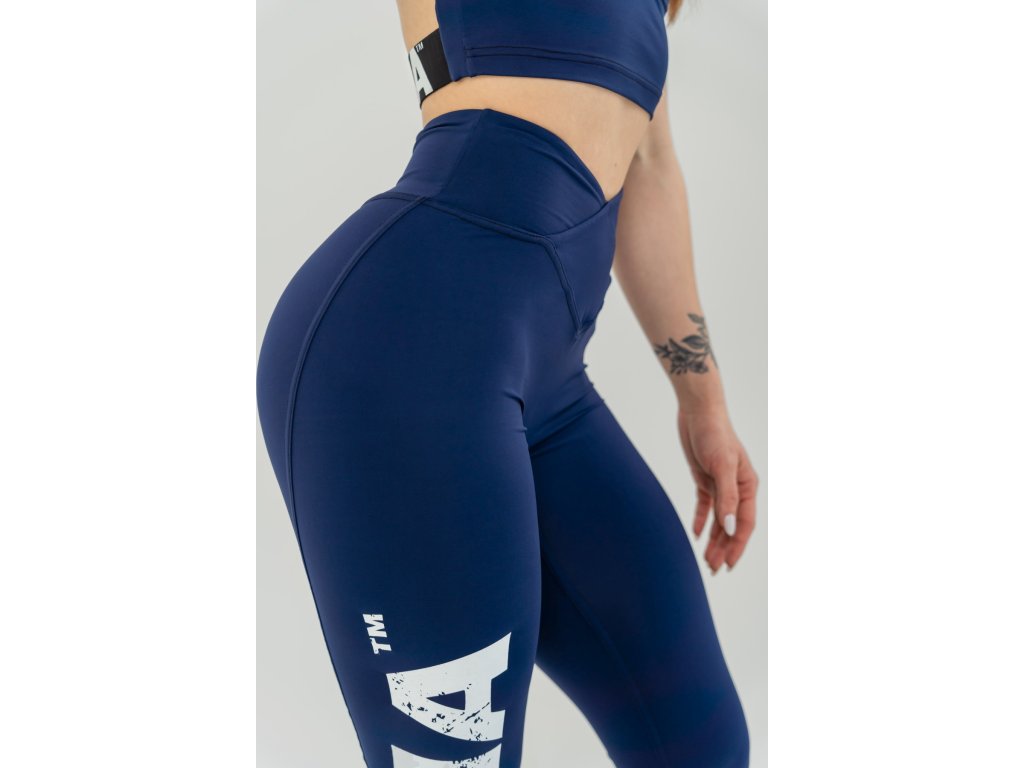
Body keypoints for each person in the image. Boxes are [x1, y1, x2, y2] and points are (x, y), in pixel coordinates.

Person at [256, 0, 758, 765]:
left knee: (701, 744)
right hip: (403, 353)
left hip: (548, 384)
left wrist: (705, 402)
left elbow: (647, 163)